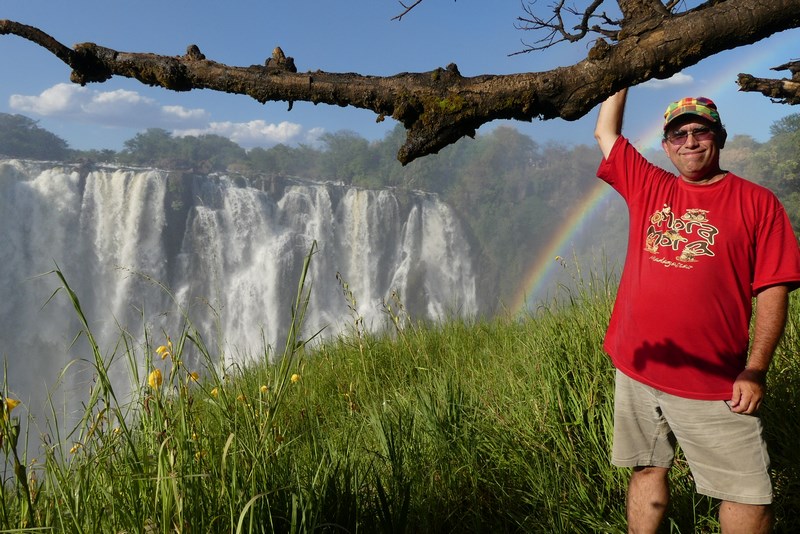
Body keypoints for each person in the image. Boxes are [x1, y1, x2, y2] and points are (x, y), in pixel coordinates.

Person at [594, 88, 800, 533]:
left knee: (748, 496)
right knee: (647, 469)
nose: (689, 141)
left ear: (719, 137)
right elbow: (605, 131)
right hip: (637, 368)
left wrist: (755, 369)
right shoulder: (649, 185)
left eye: (699, 130)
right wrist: (624, 69)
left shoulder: (758, 203)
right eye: (677, 134)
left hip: (714, 383)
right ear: (665, 145)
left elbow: (773, 291)